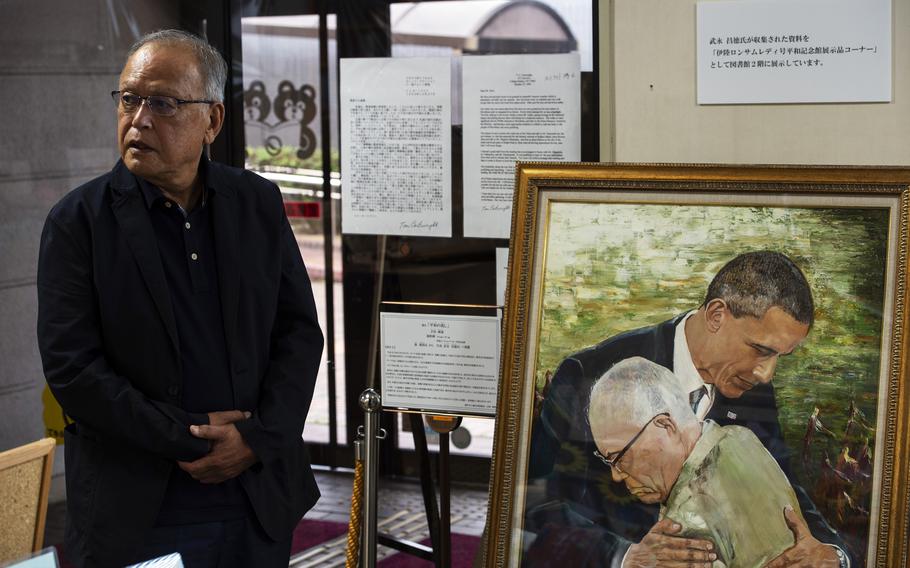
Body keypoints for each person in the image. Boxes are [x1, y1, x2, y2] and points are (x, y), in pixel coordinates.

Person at [36, 29, 324, 567]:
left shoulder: (255, 203)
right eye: (129, 99)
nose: (139, 119)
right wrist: (190, 439)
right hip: (138, 506)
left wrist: (255, 440)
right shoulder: (79, 223)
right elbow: (73, 372)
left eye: (164, 103)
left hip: (254, 495)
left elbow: (300, 333)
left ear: (211, 121)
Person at [524, 251, 852, 567]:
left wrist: (834, 555)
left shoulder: (754, 390)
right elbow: (535, 502)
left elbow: (785, 488)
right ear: (716, 316)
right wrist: (624, 557)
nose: (766, 373)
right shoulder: (587, 373)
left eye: (780, 356)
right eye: (760, 350)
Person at [588, 357, 805, 568]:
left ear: (665, 426)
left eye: (620, 456)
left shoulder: (685, 529)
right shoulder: (738, 438)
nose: (616, 475)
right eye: (608, 460)